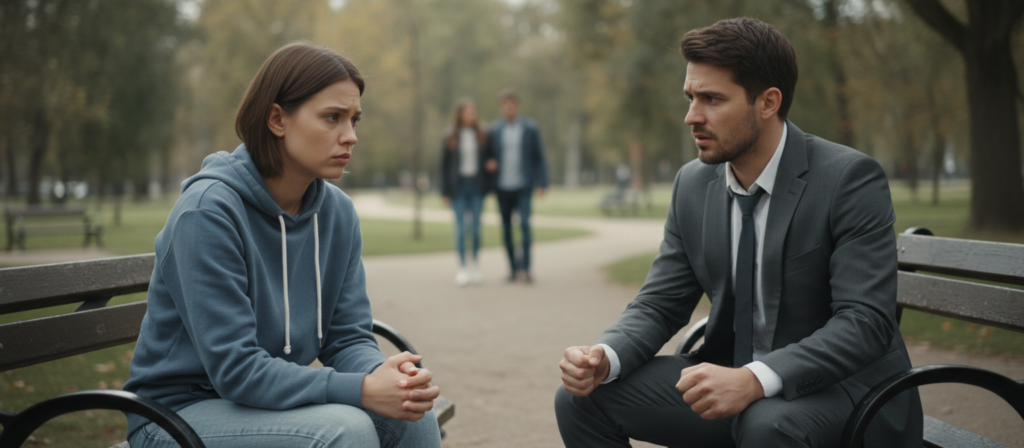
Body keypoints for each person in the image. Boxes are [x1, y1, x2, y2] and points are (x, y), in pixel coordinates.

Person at [555, 18, 923, 448]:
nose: (692, 116)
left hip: (846, 392)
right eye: (691, 97)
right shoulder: (692, 185)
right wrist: (606, 356)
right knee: (580, 398)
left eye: (712, 99)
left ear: (767, 103)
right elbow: (660, 303)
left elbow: (865, 323)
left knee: (765, 425)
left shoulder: (848, 180)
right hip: (733, 378)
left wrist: (754, 379)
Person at [123, 42, 443, 448]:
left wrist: (387, 380)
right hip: (174, 417)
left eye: (354, 120)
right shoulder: (207, 213)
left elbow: (347, 338)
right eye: (332, 118)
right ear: (277, 118)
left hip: (262, 406)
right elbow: (236, 369)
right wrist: (361, 390)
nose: (351, 136)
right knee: (347, 429)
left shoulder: (337, 215)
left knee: (413, 418)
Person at [487, 89, 549, 283]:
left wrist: (542, 183)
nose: (509, 108)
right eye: (506, 105)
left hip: (524, 185)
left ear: (517, 106)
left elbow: (539, 157)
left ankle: (526, 269)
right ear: (501, 108)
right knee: (506, 229)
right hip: (502, 187)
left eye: (512, 104)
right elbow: (488, 156)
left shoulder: (530, 128)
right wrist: (490, 164)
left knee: (524, 224)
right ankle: (513, 269)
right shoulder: (494, 130)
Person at [440, 98, 493, 286]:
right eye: (468, 112)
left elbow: (490, 159)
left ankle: (475, 265)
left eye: (474, 111)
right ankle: (463, 267)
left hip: (476, 186)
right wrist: (445, 193)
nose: (472, 115)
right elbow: (444, 166)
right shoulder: (450, 136)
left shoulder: (482, 135)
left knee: (476, 228)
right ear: (460, 114)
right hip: (458, 188)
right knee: (461, 229)